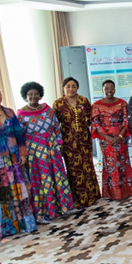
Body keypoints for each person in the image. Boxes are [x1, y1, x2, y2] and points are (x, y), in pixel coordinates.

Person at [0, 86, 37, 237]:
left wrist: (23, 153)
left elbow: (19, 134)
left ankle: (25, 223)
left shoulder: (9, 112)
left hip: (15, 157)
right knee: (2, 194)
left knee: (20, 190)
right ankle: (7, 227)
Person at [17, 81, 74, 222]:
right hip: (35, 153)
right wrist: (23, 154)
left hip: (52, 149)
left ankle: (63, 207)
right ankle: (45, 211)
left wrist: (59, 144)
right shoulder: (20, 114)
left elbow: (56, 127)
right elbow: (20, 136)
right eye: (30, 94)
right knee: (42, 180)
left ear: (40, 95)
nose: (33, 97)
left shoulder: (48, 110)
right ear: (25, 96)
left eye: (36, 94)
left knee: (58, 176)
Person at [53, 77, 101, 208]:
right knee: (74, 169)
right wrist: (59, 143)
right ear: (63, 88)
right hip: (69, 142)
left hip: (84, 140)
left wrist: (86, 123)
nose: (71, 89)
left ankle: (92, 195)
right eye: (68, 86)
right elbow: (54, 124)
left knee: (87, 166)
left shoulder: (83, 100)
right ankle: (77, 199)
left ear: (77, 88)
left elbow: (91, 117)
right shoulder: (58, 104)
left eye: (73, 86)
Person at [91, 80, 132, 200]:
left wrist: (120, 136)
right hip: (106, 141)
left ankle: (125, 191)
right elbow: (95, 124)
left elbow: (127, 120)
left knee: (123, 163)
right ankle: (112, 193)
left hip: (120, 138)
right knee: (110, 165)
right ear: (102, 90)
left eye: (111, 88)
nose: (109, 91)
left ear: (115, 89)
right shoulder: (96, 105)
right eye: (106, 88)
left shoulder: (122, 103)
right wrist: (108, 138)